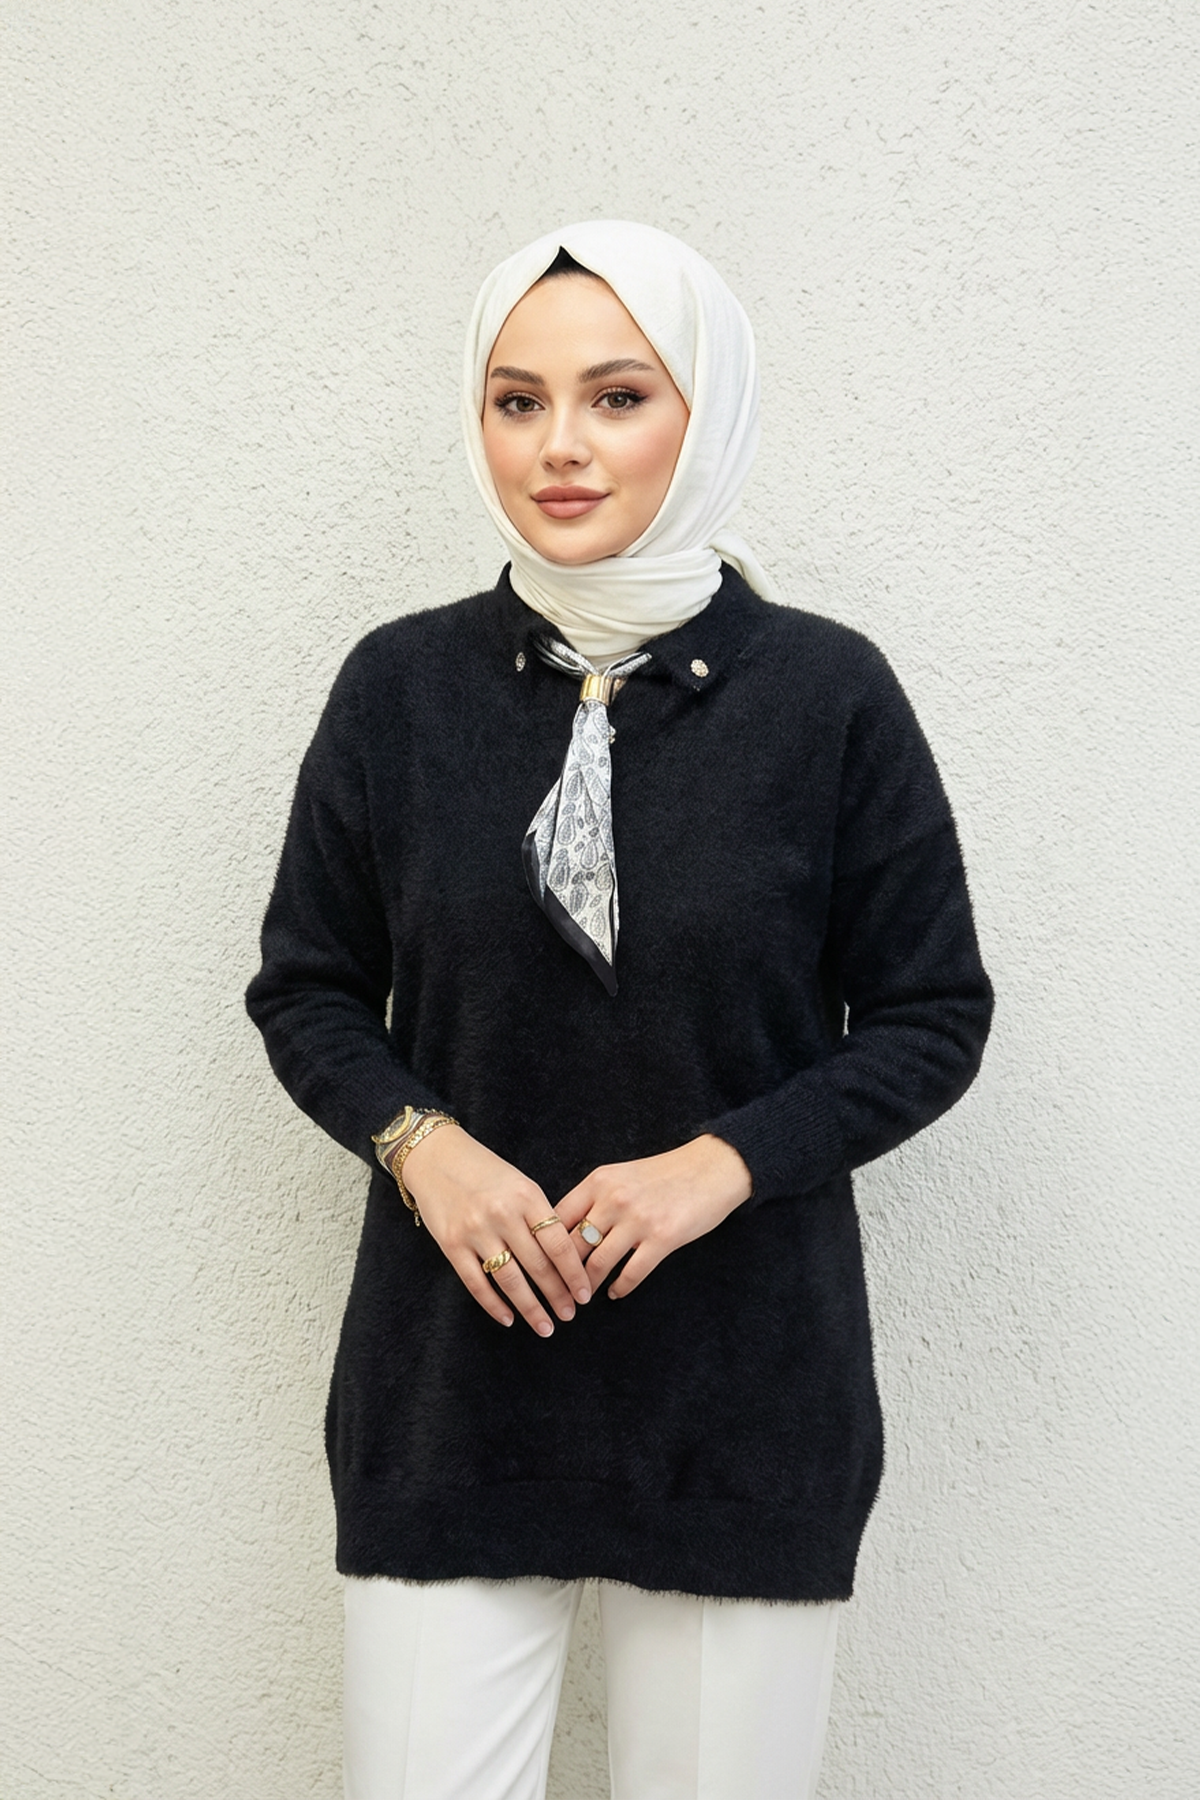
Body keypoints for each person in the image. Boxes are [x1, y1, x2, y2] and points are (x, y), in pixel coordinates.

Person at [246, 220, 993, 1800]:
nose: (561, 447)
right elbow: (307, 986)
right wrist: (423, 1146)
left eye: (618, 396)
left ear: (703, 411)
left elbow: (931, 1014)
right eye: (517, 401)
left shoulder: (828, 697)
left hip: (743, 1388)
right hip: (452, 1385)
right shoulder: (399, 690)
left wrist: (720, 1165)